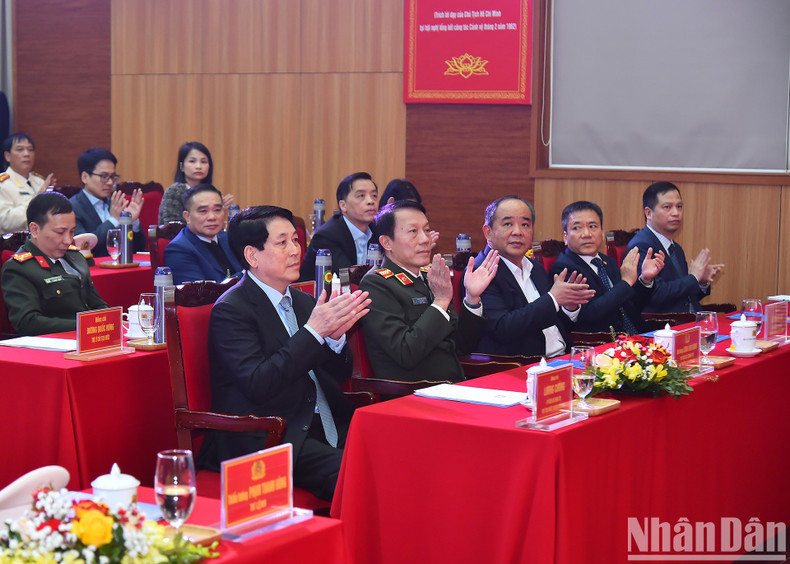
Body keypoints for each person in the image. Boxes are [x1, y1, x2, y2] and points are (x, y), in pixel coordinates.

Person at [196, 205, 371, 501]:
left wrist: (336, 340)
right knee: (359, 473)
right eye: (282, 242)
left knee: (395, 451)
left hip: (324, 423)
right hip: (273, 434)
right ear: (252, 256)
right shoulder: (231, 311)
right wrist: (314, 333)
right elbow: (259, 382)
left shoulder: (304, 302)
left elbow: (339, 377)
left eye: (295, 240)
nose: (295, 250)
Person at [359, 200, 499, 382]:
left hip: (451, 388)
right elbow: (406, 353)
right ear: (387, 242)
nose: (425, 239)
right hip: (412, 396)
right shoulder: (376, 285)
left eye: (426, 230)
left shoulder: (428, 277)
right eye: (413, 232)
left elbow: (461, 345)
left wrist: (472, 299)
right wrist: (440, 303)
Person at [472, 196, 595, 358]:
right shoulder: (481, 272)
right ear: (488, 232)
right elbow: (502, 329)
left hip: (563, 358)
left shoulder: (535, 268)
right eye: (508, 224)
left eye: (525, 225)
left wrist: (568, 307)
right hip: (524, 367)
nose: (518, 232)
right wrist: (553, 299)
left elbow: (550, 319)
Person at [550, 201, 665, 334]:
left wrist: (645, 280)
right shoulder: (564, 269)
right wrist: (626, 282)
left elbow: (630, 306)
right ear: (565, 237)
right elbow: (588, 315)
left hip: (636, 336)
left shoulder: (607, 262)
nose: (586, 234)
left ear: (602, 232)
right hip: (604, 344)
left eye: (593, 226)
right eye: (577, 228)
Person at [1, 192, 108, 335]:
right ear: (35, 230)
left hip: (87, 337)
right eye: (60, 232)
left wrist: (110, 319)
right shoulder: (19, 268)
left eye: (72, 232)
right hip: (54, 345)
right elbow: (27, 322)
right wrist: (85, 324)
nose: (68, 240)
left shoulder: (76, 257)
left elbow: (96, 303)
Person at [625, 182, 724, 313]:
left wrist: (701, 281)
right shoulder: (641, 246)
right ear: (648, 213)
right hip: (664, 327)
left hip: (690, 323)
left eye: (679, 207)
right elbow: (655, 296)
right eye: (667, 207)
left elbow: (685, 298)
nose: (676, 213)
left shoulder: (675, 248)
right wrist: (693, 277)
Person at [300, 172, 379, 280]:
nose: (371, 201)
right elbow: (349, 278)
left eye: (374, 196)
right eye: (361, 196)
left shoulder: (379, 231)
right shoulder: (327, 236)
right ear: (343, 205)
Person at [69, 148, 146, 257]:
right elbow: (84, 247)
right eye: (103, 176)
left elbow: (139, 249)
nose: (110, 182)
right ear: (85, 177)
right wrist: (114, 219)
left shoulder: (115, 204)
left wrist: (132, 222)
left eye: (113, 177)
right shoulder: (72, 208)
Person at [163, 184, 242, 284]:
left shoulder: (228, 238)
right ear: (187, 217)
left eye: (217, 210)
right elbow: (199, 294)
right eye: (203, 211)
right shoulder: (178, 249)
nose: (212, 217)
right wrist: (244, 276)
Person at [158, 142, 233, 224]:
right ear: (182, 166)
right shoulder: (174, 192)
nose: (198, 166)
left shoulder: (211, 192)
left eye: (203, 162)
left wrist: (219, 211)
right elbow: (171, 226)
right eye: (192, 161)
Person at [0, 133, 55, 234]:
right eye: (20, 150)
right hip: (13, 245)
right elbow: (5, 221)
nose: (27, 154)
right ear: (8, 156)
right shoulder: (2, 184)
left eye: (30, 150)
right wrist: (37, 199)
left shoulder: (39, 181)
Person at [380, 178, 439, 248]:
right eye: (407, 208)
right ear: (390, 204)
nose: (424, 239)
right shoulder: (370, 233)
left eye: (427, 230)